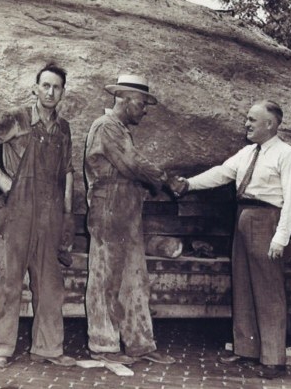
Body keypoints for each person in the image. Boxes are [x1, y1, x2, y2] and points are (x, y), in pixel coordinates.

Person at [173, 100, 291, 379]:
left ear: (270, 124)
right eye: (248, 119)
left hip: (267, 220)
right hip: (243, 217)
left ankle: (273, 359)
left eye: (252, 120)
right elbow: (221, 173)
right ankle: (246, 350)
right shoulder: (247, 153)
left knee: (268, 291)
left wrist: (280, 238)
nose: (247, 123)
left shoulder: (287, 155)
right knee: (243, 286)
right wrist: (188, 184)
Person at [0, 63, 76, 368]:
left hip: (50, 214)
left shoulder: (63, 128)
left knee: (51, 285)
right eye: (46, 85)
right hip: (17, 212)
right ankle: (0, 348)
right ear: (35, 88)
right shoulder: (18, 119)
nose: (50, 92)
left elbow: (67, 171)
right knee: (10, 281)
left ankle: (48, 349)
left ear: (62, 92)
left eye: (56, 87)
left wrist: (68, 213)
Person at [83, 74, 177, 366]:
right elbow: (132, 163)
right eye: (141, 103)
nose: (144, 109)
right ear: (123, 100)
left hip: (126, 206)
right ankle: (103, 343)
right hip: (108, 206)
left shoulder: (119, 128)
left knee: (135, 277)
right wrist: (165, 179)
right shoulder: (106, 127)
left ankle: (140, 343)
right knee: (105, 277)